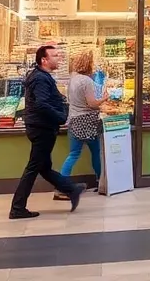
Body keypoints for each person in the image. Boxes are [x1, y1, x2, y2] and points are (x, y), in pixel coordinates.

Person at [9, 45, 84, 218]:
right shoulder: (41, 79)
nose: (59, 58)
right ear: (44, 60)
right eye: (55, 55)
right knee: (34, 167)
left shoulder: (41, 76)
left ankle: (71, 190)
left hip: (41, 127)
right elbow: (41, 104)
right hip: (42, 128)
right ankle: (17, 208)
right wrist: (60, 116)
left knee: (43, 167)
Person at [54, 49, 108, 201]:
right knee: (96, 151)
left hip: (74, 120)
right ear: (89, 65)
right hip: (87, 121)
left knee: (73, 154)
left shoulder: (73, 78)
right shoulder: (87, 81)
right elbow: (91, 104)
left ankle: (61, 186)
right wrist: (103, 99)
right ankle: (100, 181)